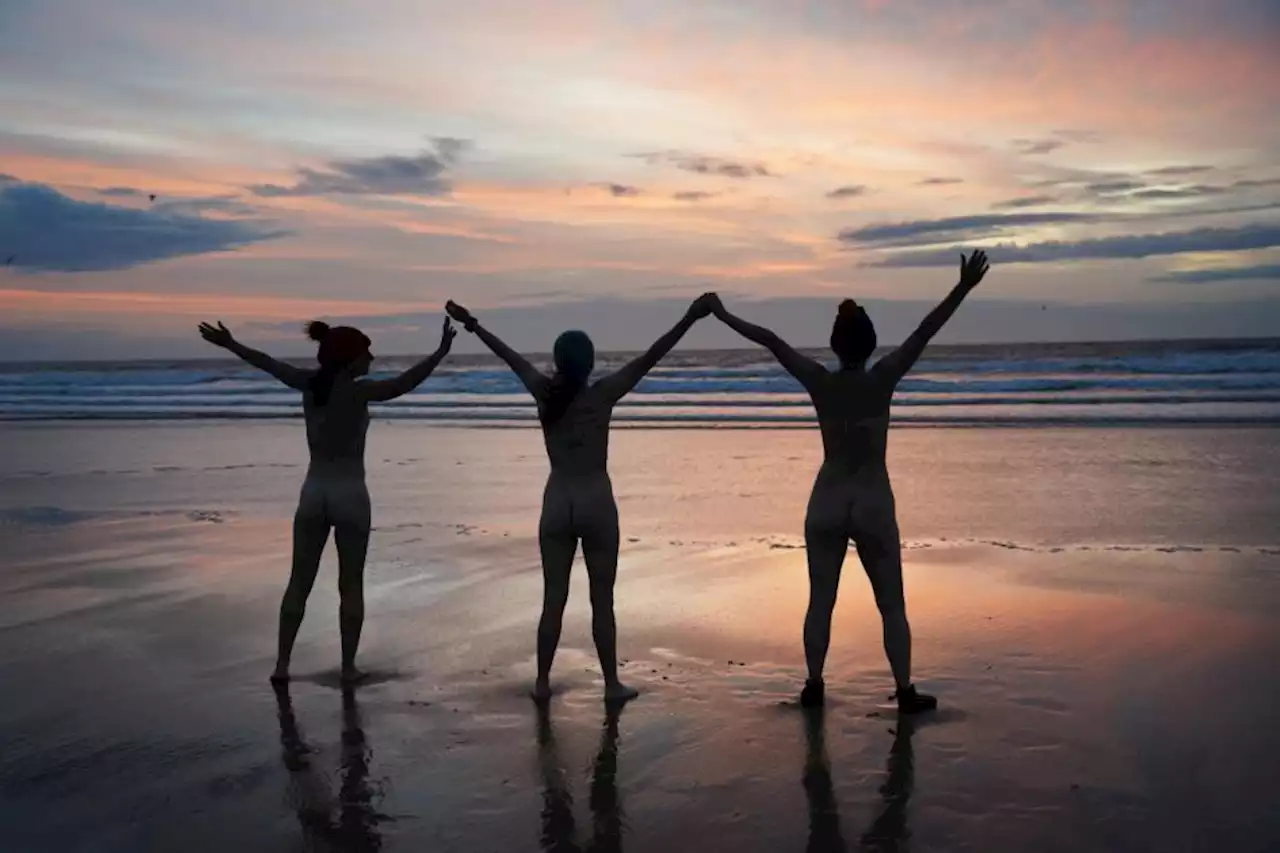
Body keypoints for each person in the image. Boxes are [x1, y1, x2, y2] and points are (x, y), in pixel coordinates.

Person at [709, 251, 990, 711]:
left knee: (821, 601)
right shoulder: (883, 378)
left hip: (827, 501)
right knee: (891, 606)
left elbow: (772, 341)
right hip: (874, 501)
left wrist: (721, 314)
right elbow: (925, 331)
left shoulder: (820, 382)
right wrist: (962, 287)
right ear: (872, 344)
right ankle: (904, 690)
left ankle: (814, 685)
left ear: (836, 344)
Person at [444, 295, 715, 701]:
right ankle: (610, 685)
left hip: (557, 502)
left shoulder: (543, 392)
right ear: (590, 363)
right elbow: (652, 356)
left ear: (556, 361)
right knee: (601, 601)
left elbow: (509, 357)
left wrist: (474, 325)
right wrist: (690, 318)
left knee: (553, 598)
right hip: (596, 502)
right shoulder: (603, 395)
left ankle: (541, 683)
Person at [198, 316, 456, 683]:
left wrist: (231, 344)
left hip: (313, 494)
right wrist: (440, 352)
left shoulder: (307, 384)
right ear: (351, 359)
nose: (372, 357)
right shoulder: (358, 391)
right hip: (350, 496)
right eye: (367, 351)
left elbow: (267, 363)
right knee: (350, 585)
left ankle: (282, 666)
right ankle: (348, 667)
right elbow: (404, 384)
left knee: (298, 582)